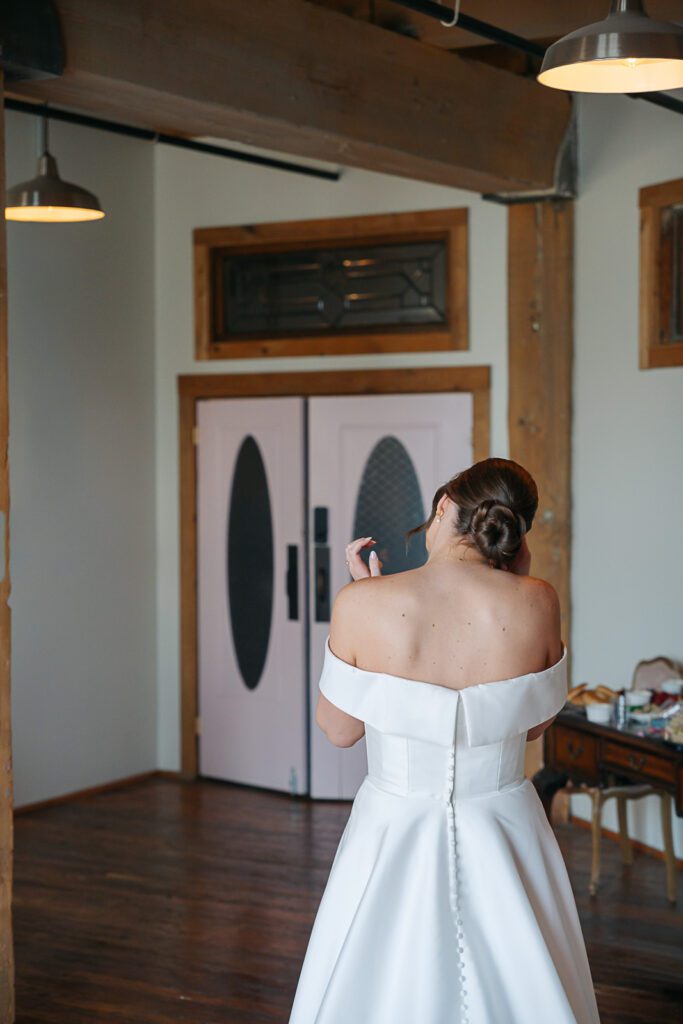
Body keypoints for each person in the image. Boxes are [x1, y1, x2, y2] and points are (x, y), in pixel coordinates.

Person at [289, 457, 600, 1024]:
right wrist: (521, 577)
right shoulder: (538, 601)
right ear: (512, 532)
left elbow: (339, 731)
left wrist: (369, 604)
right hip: (504, 822)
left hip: (393, 824)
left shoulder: (363, 602)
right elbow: (531, 726)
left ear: (442, 509)